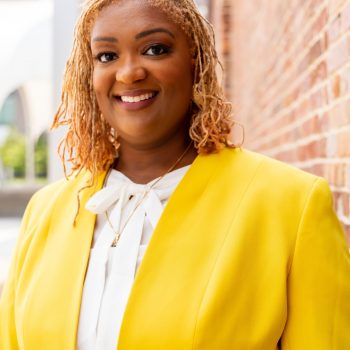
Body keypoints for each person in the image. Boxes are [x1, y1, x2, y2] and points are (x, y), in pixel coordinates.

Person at [1, 0, 350, 349]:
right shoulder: (44, 212)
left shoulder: (289, 205)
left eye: (155, 49)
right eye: (106, 56)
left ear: (194, 59)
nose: (128, 73)